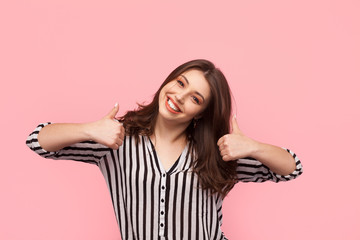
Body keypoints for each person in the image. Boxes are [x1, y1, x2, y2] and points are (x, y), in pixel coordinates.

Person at [26, 59, 303, 240]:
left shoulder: (218, 153)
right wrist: (88, 129)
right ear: (168, 81)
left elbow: (291, 168)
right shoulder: (117, 140)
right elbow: (38, 140)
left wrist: (253, 147)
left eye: (195, 98)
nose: (179, 97)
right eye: (180, 83)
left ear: (201, 113)